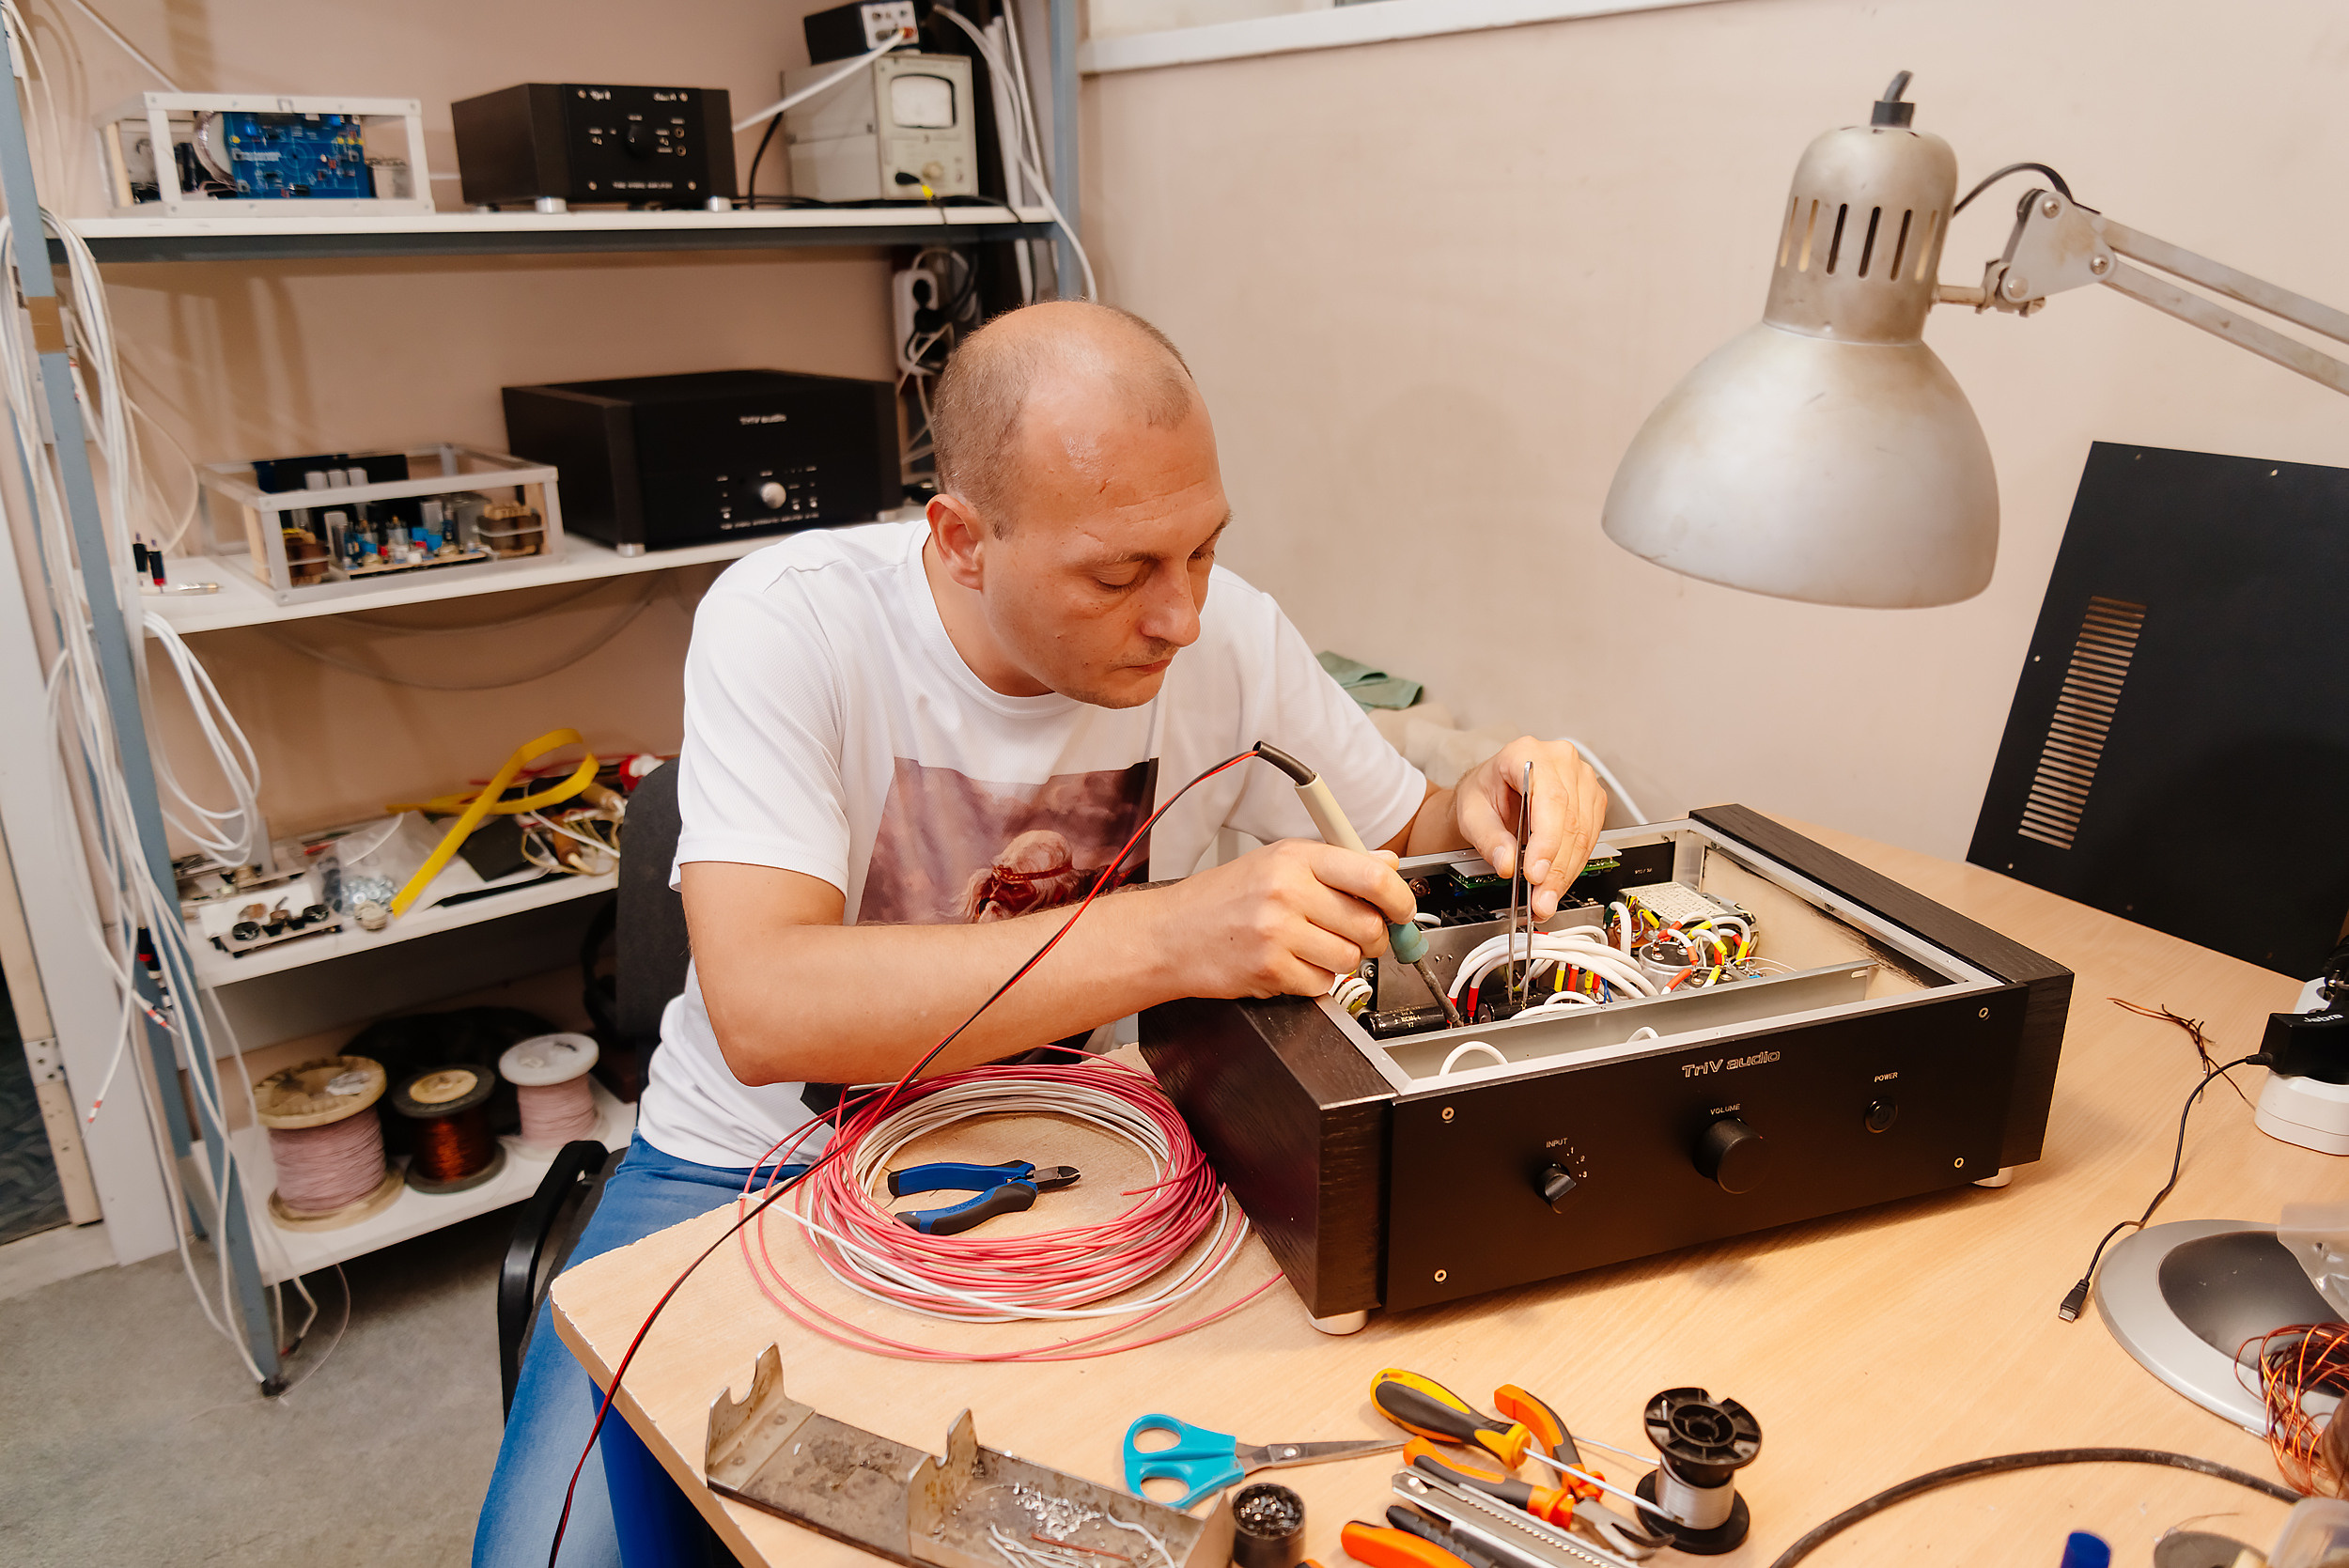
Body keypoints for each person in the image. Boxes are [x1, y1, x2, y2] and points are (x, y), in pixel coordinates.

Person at [474, 301, 1607, 1567]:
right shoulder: (787, 619)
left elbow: (1408, 835)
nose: (1180, 617)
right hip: (746, 1167)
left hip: (1086, 1160)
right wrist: (1172, 934)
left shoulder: (1227, 634)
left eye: (1204, 552)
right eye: (1121, 573)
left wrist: (1498, 799)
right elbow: (766, 1006)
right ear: (960, 540)